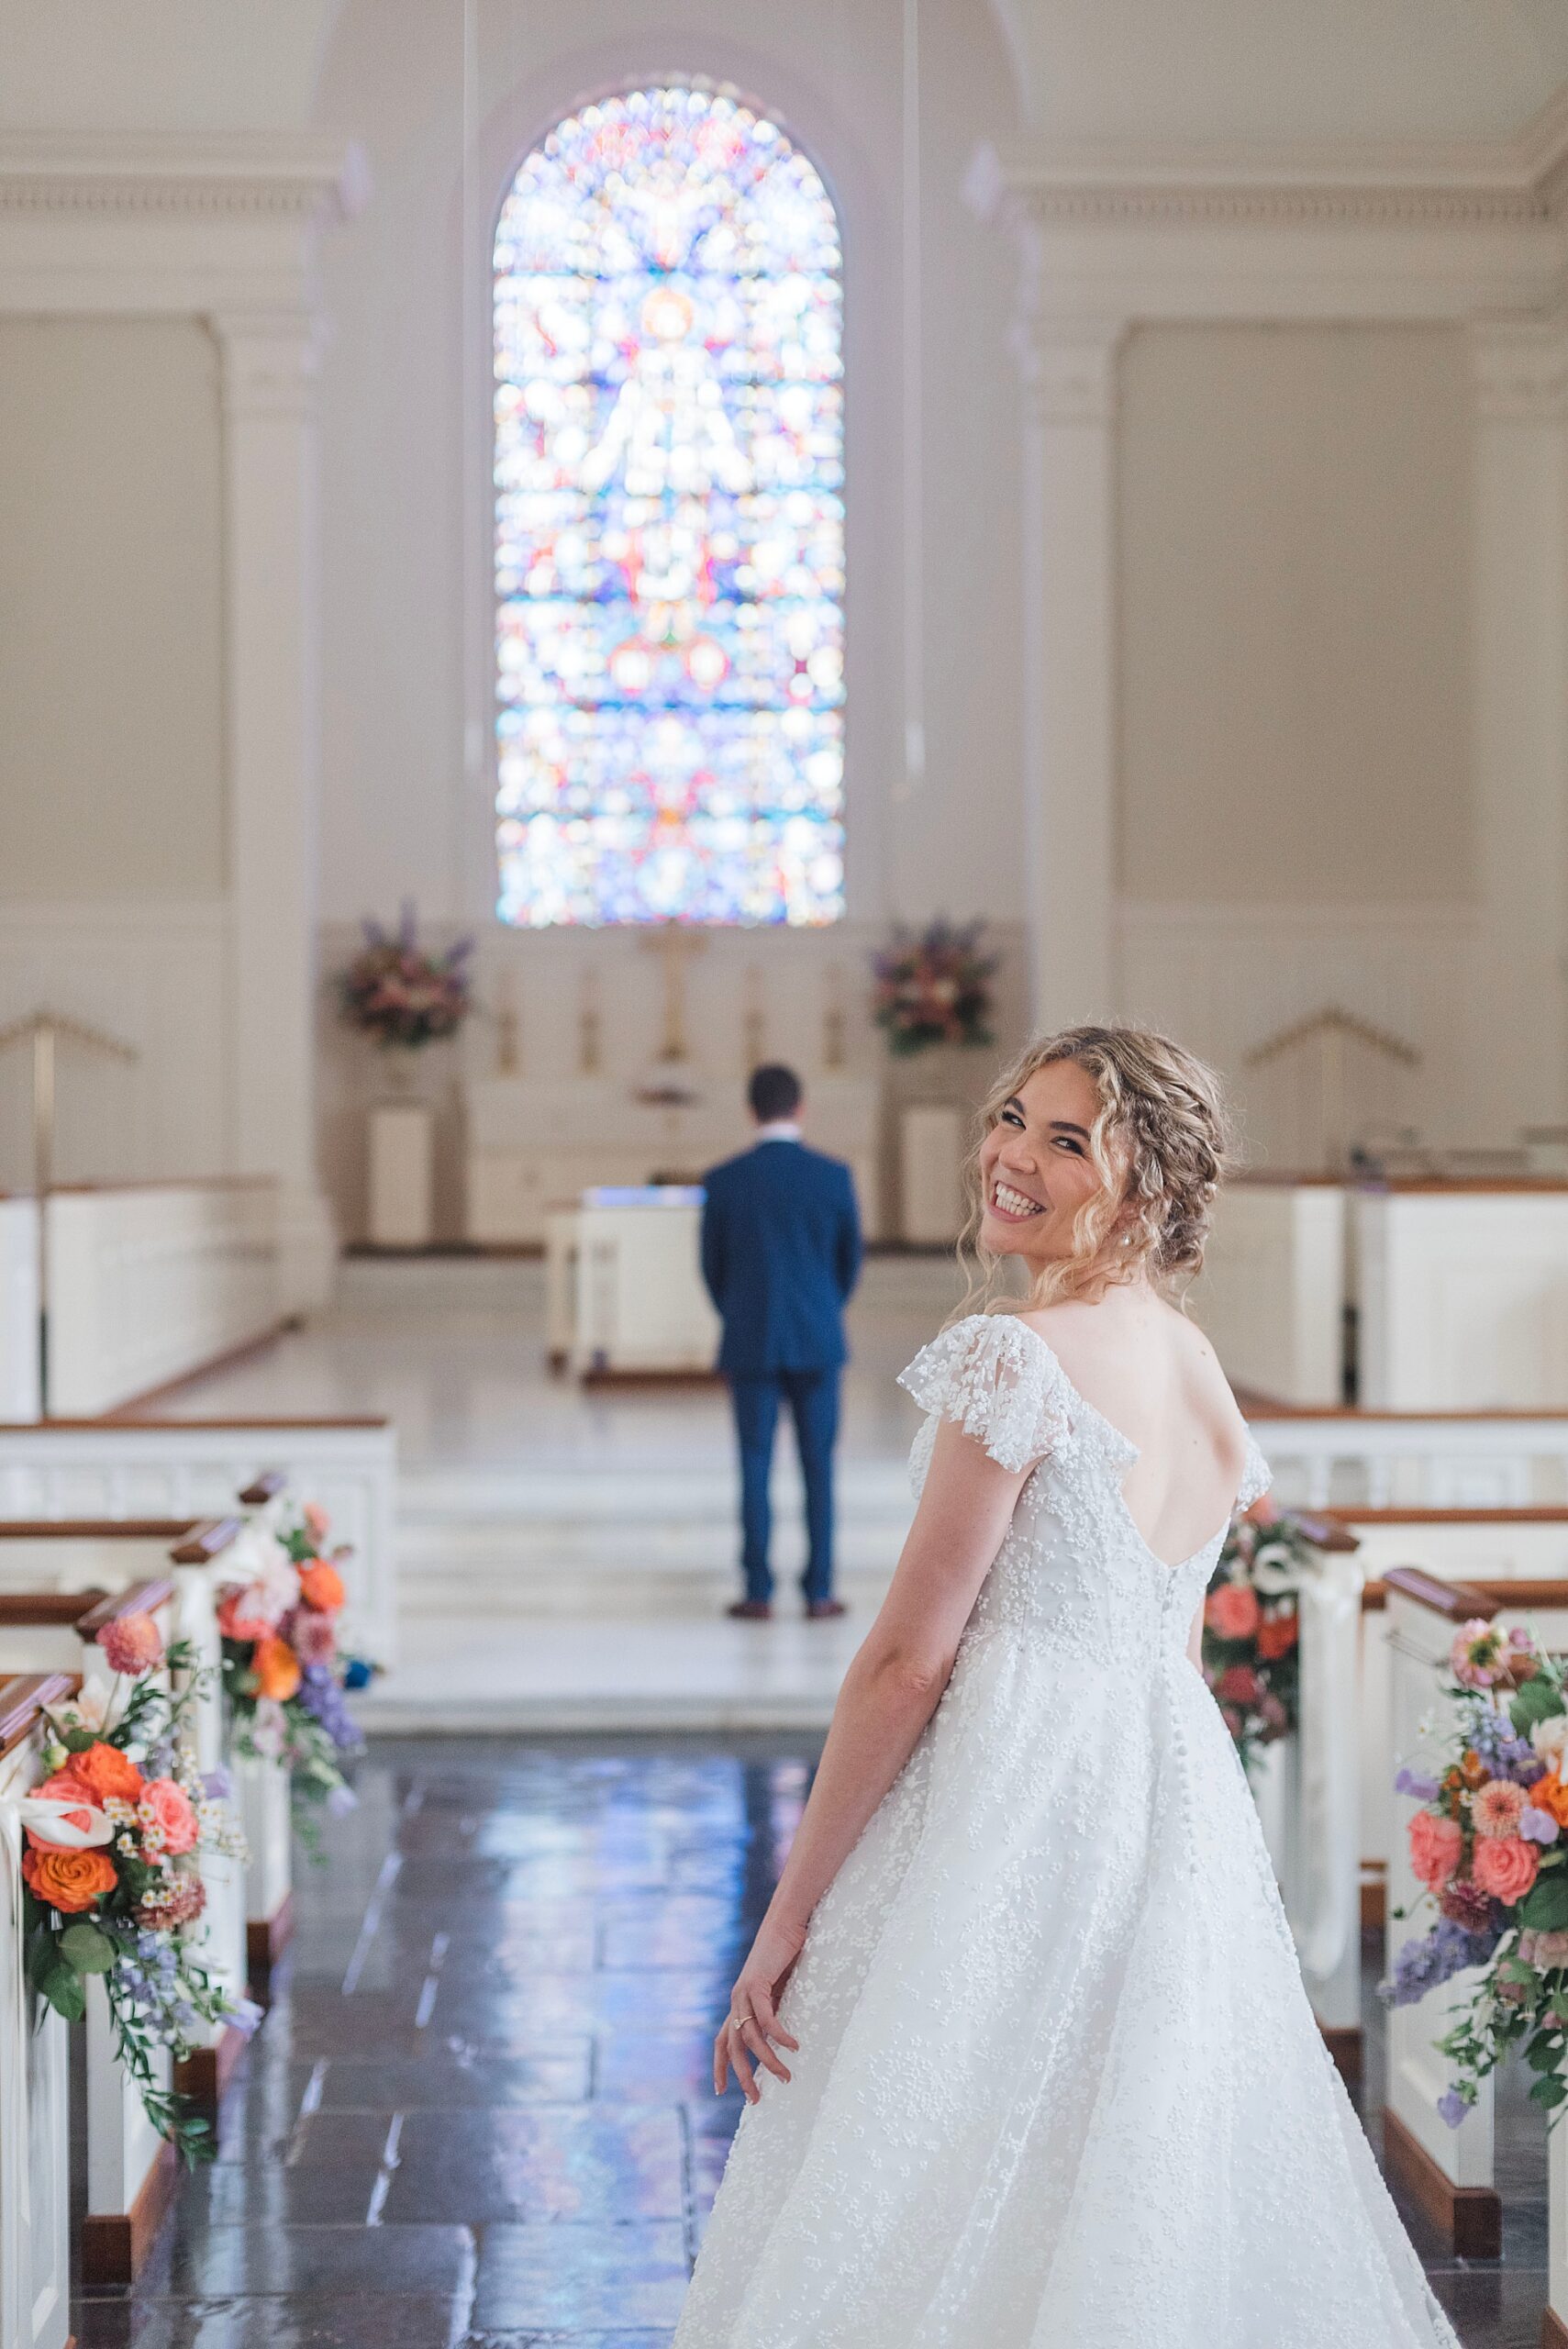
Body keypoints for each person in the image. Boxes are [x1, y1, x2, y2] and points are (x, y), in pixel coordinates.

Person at [673, 1025, 1457, 2348]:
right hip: (1168, 1796)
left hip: (1011, 1795)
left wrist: (789, 1910)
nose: (1008, 1156)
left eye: (1062, 1138)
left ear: (1142, 1182)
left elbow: (910, 1659)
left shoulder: (1015, 1359)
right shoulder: (1198, 1368)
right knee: (1133, 2140)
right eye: (1010, 1119)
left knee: (944, 2134)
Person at [701, 1063, 862, 1622]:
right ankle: (819, 1591)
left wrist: (742, 1313)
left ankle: (757, 1591)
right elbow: (849, 1264)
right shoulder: (833, 1175)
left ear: (751, 1110)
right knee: (819, 1465)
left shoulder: (724, 1180)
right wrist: (821, 1311)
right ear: (800, 1107)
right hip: (818, 1338)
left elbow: (712, 1269)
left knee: (753, 1462)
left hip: (750, 1336)